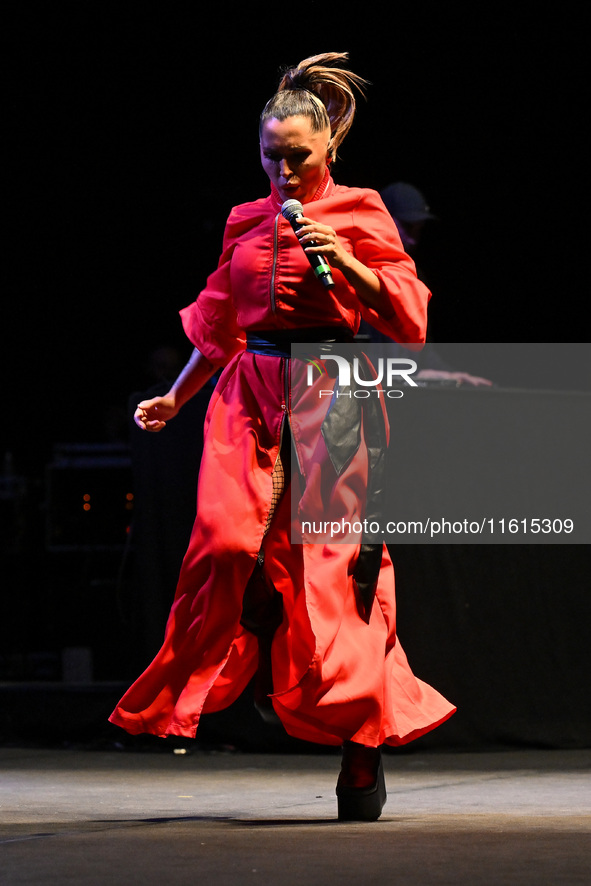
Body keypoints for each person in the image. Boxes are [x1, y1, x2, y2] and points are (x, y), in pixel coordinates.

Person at [109, 52, 455, 821]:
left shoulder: (362, 210)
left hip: (333, 397)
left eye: (296, 155)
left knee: (337, 585)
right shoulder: (244, 219)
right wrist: (172, 398)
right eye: (270, 156)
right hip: (247, 398)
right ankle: (257, 640)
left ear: (328, 146)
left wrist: (354, 270)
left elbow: (410, 317)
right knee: (228, 546)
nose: (283, 170)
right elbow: (218, 324)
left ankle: (360, 748)